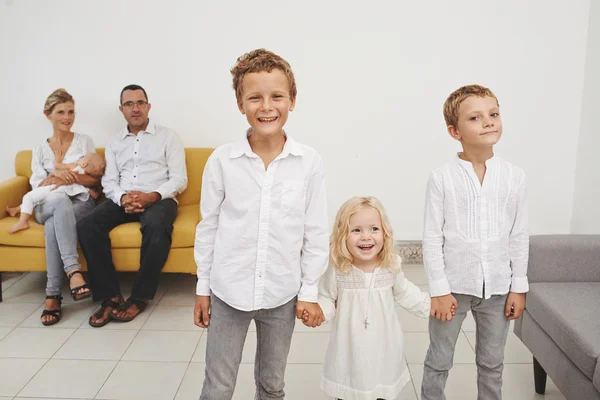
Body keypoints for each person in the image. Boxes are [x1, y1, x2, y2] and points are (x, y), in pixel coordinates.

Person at [193, 49, 329, 400]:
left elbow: (315, 231)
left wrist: (309, 292)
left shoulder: (309, 162)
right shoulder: (222, 161)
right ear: (241, 104)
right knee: (218, 386)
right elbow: (208, 226)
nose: (266, 106)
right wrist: (202, 288)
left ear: (292, 101)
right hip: (228, 292)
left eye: (277, 96)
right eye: (255, 97)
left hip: (282, 294)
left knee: (272, 385)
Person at [421, 84, 529, 400]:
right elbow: (431, 237)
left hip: (498, 288)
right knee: (439, 360)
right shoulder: (442, 177)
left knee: (492, 363)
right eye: (476, 117)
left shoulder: (514, 176)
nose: (488, 122)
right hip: (452, 288)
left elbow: (519, 235)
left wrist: (518, 286)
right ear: (455, 131)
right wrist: (439, 290)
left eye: (493, 114)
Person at [77, 84, 187, 327]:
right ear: (121, 109)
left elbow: (179, 179)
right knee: (87, 225)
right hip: (124, 198)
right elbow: (109, 181)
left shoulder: (168, 136)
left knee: (157, 227)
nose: (135, 109)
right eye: (129, 104)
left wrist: (152, 196)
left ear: (148, 107)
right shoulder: (115, 142)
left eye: (140, 103)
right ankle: (110, 296)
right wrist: (123, 198)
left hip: (160, 198)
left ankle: (140, 296)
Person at [312, 196, 431, 400]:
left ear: (385, 233)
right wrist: (319, 312)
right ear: (343, 235)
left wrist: (431, 306)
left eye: (374, 229)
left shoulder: (390, 266)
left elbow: (405, 292)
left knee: (381, 391)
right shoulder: (339, 270)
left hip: (384, 350)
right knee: (348, 392)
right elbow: (328, 299)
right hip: (349, 352)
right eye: (356, 230)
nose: (366, 237)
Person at [27, 88, 99, 325]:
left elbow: (96, 179)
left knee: (52, 227)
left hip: (79, 202)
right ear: (48, 115)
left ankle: (53, 295)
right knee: (57, 200)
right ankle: (74, 272)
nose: (67, 117)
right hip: (46, 203)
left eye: (71, 112)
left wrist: (71, 177)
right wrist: (57, 175)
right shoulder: (39, 148)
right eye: (61, 112)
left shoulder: (84, 141)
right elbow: (39, 183)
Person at [6, 152, 105, 233]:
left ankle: (22, 221)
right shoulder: (84, 181)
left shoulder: (75, 167)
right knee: (37, 200)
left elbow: (58, 166)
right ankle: (18, 210)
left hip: (54, 189)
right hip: (62, 195)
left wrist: (58, 159)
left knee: (29, 197)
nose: (80, 158)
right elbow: (93, 194)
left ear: (84, 164)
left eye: (83, 157)